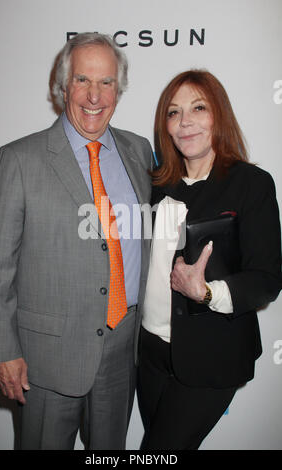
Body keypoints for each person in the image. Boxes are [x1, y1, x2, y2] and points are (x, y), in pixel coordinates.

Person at [0, 32, 153, 450]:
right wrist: (3, 350)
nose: (94, 96)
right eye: (82, 80)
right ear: (62, 87)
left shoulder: (140, 151)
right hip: (46, 361)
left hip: (122, 352)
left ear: (119, 89)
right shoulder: (18, 159)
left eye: (106, 82)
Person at [137, 69, 282, 450]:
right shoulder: (155, 185)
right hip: (149, 353)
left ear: (219, 114)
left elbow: (266, 278)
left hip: (211, 357)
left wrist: (206, 292)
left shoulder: (251, 183)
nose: (185, 122)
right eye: (173, 112)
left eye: (198, 108)